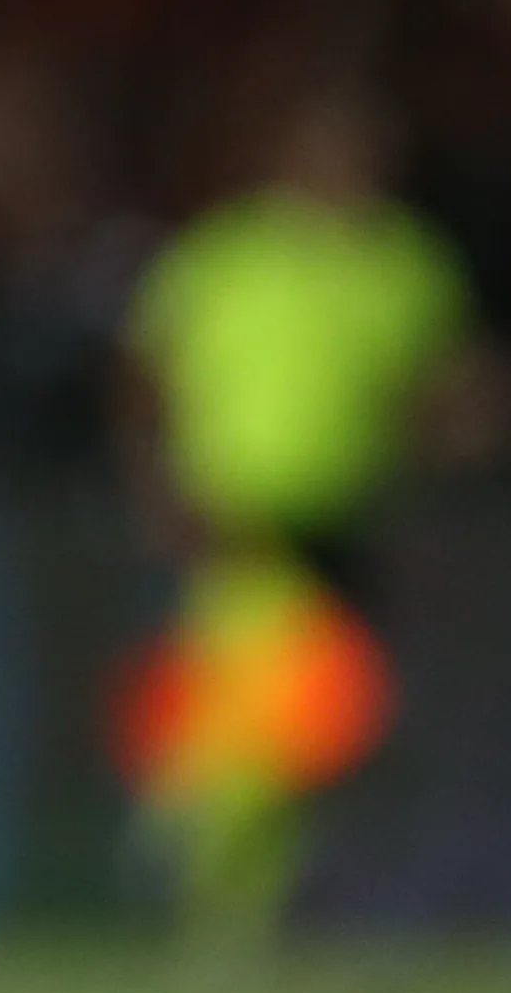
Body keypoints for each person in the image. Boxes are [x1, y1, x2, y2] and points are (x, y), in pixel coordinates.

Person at [109, 84, 484, 947]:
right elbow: (142, 373)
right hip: (240, 514)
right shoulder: (225, 259)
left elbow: (443, 385)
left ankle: (215, 855)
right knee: (267, 700)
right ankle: (211, 868)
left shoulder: (402, 264)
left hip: (350, 518)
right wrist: (158, 484)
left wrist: (452, 435)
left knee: (314, 721)